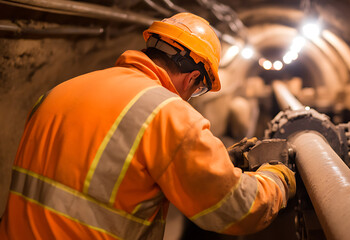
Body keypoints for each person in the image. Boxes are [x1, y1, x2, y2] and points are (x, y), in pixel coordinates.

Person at [0, 12, 296, 239]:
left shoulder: (59, 91)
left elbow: (109, 172)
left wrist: (216, 162)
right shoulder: (170, 114)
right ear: (194, 78)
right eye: (200, 89)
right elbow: (234, 208)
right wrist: (277, 181)